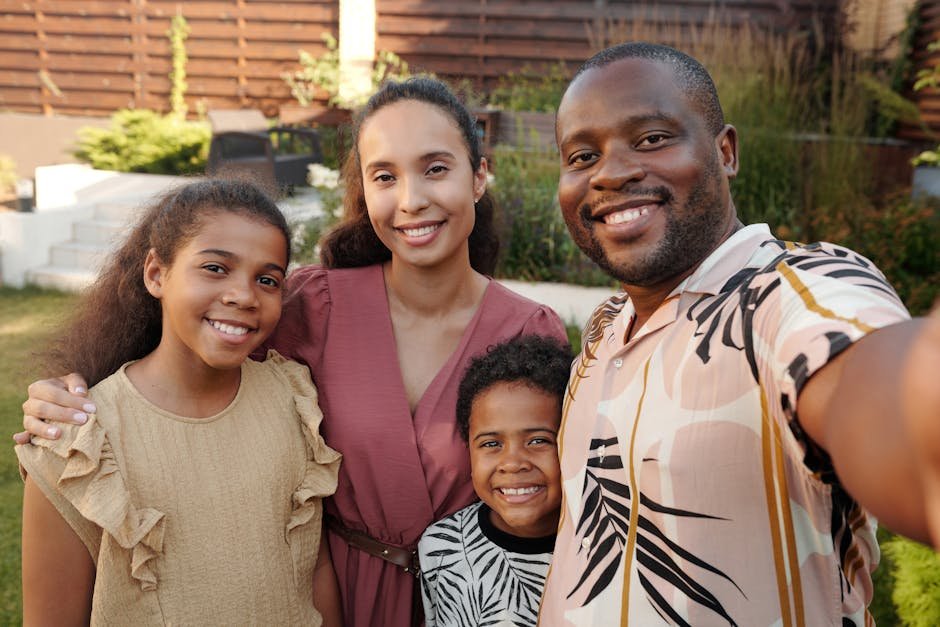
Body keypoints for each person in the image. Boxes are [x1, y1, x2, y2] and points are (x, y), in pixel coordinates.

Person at [16, 78, 568, 627]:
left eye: (436, 168)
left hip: (468, 600)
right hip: (327, 592)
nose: (411, 199)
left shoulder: (528, 331)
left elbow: (559, 488)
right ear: (365, 192)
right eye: (384, 176)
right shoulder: (313, 304)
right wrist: (67, 406)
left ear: (480, 176)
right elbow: (192, 354)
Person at [538, 42, 940, 626]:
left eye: (652, 138)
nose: (611, 172)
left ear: (725, 151)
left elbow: (875, 388)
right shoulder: (604, 331)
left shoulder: (788, 296)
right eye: (580, 155)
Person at [15, 179, 342, 625]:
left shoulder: (292, 399)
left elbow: (313, 564)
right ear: (156, 273)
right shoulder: (75, 443)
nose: (244, 295)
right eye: (215, 268)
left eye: (267, 279)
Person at [418, 335, 572, 627]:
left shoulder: (603, 548)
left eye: (538, 440)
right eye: (491, 444)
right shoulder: (441, 548)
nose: (513, 463)